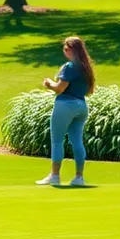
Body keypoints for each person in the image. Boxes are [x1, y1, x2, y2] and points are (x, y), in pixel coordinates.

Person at [37, 36, 96, 187]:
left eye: (66, 49)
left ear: (73, 50)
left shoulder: (70, 66)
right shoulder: (86, 67)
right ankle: (79, 177)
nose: (65, 51)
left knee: (57, 141)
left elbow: (60, 89)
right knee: (77, 141)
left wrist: (49, 84)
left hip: (66, 105)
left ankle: (55, 176)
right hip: (81, 106)